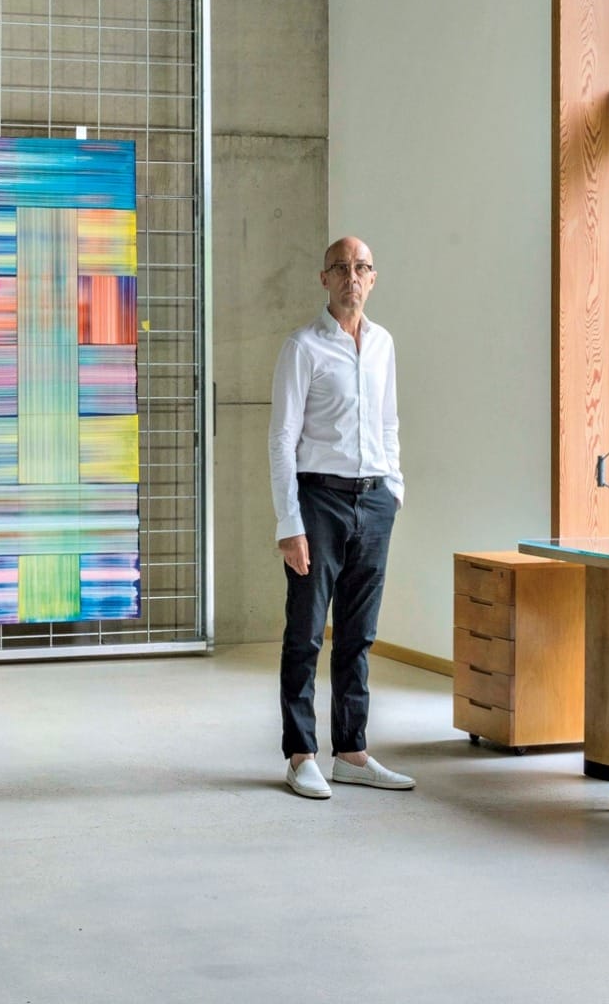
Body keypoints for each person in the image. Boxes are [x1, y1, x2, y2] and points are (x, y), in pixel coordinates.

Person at [268, 236, 412, 799]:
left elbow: (389, 422)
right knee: (305, 633)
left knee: (359, 635)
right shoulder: (302, 347)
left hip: (374, 501)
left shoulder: (383, 345)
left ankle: (351, 751)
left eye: (361, 267)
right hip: (319, 502)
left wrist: (393, 489)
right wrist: (290, 522)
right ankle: (301, 753)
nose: (352, 277)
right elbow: (282, 439)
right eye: (340, 268)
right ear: (323, 278)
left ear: (373, 278)